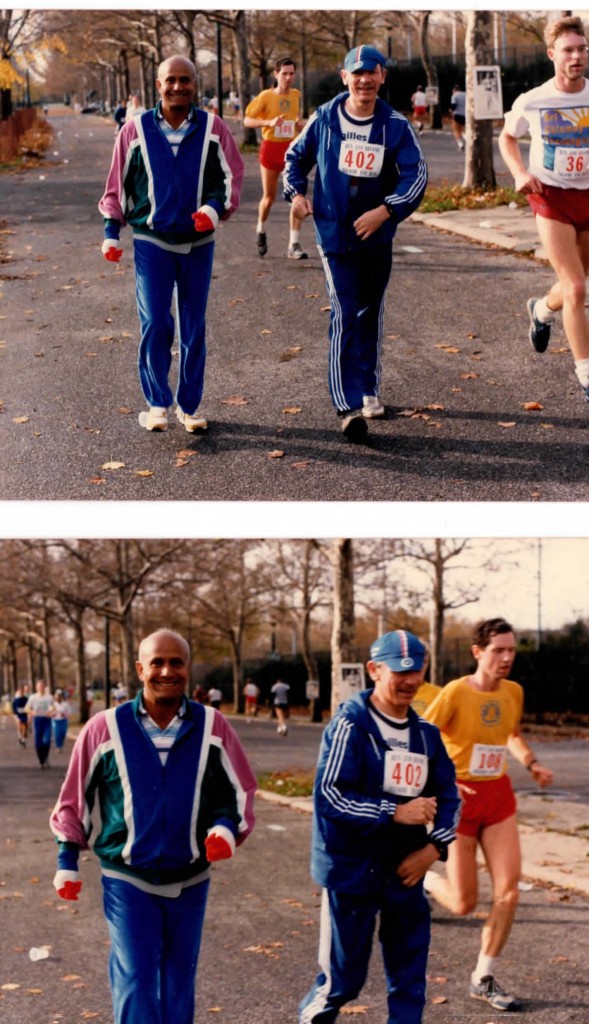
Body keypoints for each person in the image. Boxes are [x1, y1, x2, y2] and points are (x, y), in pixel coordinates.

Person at [50, 628, 256, 1024]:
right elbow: (73, 799)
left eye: (175, 662)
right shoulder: (103, 728)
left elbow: (239, 791)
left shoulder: (213, 726)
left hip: (191, 877)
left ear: (188, 669)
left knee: (179, 981)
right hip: (127, 878)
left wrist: (226, 828)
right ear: (140, 669)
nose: (166, 670)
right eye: (156, 662)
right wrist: (67, 859)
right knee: (136, 980)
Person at [300, 629, 459, 1024]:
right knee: (343, 981)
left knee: (409, 979)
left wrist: (432, 850)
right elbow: (329, 796)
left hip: (405, 872)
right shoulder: (350, 726)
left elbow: (452, 798)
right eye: (398, 671)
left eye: (416, 671)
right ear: (374, 670)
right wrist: (393, 811)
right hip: (351, 871)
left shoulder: (426, 736)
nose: (408, 681)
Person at [284, 45, 427, 441]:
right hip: (334, 236)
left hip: (377, 237)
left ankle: (368, 387)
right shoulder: (326, 118)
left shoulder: (395, 124)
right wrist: (296, 195)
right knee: (345, 313)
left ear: (382, 77)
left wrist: (386, 210)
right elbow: (294, 159)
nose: (364, 79)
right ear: (344, 77)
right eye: (357, 72)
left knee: (370, 312)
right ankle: (346, 405)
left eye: (373, 72)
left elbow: (415, 176)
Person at [99, 54, 244, 434]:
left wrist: (214, 210)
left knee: (194, 325)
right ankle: (157, 403)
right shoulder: (134, 129)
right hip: (152, 240)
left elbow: (229, 179)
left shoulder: (214, 128)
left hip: (199, 242)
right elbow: (117, 186)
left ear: (195, 85)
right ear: (158, 85)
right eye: (170, 80)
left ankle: (190, 406)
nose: (178, 87)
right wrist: (111, 232)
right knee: (156, 323)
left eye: (185, 80)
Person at [423, 618, 554, 1012]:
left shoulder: (513, 691)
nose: (507, 657)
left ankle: (483, 976)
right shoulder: (454, 693)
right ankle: (427, 880)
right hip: (458, 801)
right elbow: (421, 740)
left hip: (497, 797)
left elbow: (511, 734)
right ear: (478, 652)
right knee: (464, 903)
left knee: (508, 892)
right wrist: (442, 781)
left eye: (511, 650)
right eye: (499, 650)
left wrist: (531, 764)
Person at [498, 16, 589, 405]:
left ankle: (540, 310)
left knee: (575, 283)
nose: (577, 56)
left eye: (582, 49)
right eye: (569, 50)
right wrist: (519, 172)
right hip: (550, 197)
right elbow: (507, 136)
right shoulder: (534, 100)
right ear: (552, 54)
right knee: (578, 287)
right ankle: (587, 377)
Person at [244, 57, 308, 260]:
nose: (288, 78)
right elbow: (247, 120)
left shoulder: (296, 95)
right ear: (276, 74)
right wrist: (269, 122)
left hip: (291, 150)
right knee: (269, 198)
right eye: (284, 74)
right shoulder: (265, 97)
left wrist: (299, 124)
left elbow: (295, 119)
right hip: (271, 148)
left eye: (291, 74)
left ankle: (294, 244)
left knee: (296, 196)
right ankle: (261, 229)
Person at [25, 679, 55, 769]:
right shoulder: (33, 697)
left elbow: (54, 708)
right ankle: (41, 761)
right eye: (39, 686)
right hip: (37, 720)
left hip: (46, 720)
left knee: (46, 741)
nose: (41, 688)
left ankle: (45, 758)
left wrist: (51, 713)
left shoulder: (49, 697)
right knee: (38, 743)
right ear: (36, 687)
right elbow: (26, 708)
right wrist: (32, 712)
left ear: (44, 687)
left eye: (42, 686)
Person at [51, 689, 72, 753]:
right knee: (57, 734)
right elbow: (49, 712)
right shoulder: (53, 705)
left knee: (63, 734)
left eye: (59, 696)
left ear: (61, 697)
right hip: (55, 721)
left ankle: (61, 744)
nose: (58, 697)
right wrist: (53, 714)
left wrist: (65, 714)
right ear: (55, 697)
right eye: (57, 696)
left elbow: (69, 712)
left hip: (63, 721)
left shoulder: (65, 704)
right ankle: (58, 747)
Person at [450, 84, 466, 150]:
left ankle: (460, 144)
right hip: (465, 115)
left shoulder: (454, 95)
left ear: (454, 90)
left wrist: (450, 110)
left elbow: (453, 106)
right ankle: (468, 140)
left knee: (456, 130)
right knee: (462, 130)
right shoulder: (465, 94)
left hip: (457, 115)